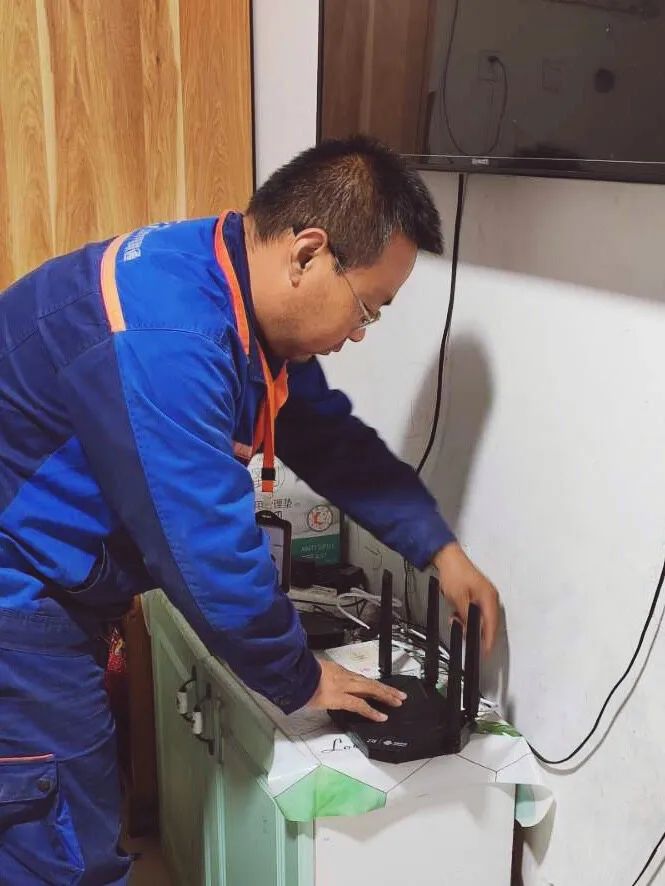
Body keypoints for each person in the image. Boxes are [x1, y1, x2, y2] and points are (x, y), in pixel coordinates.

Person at [0, 135, 499, 883]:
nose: (357, 334)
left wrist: (440, 550)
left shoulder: (225, 281)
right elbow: (204, 545)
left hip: (46, 577)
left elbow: (327, 438)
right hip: (18, 595)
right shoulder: (170, 335)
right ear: (308, 253)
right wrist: (299, 676)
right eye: (366, 307)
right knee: (62, 848)